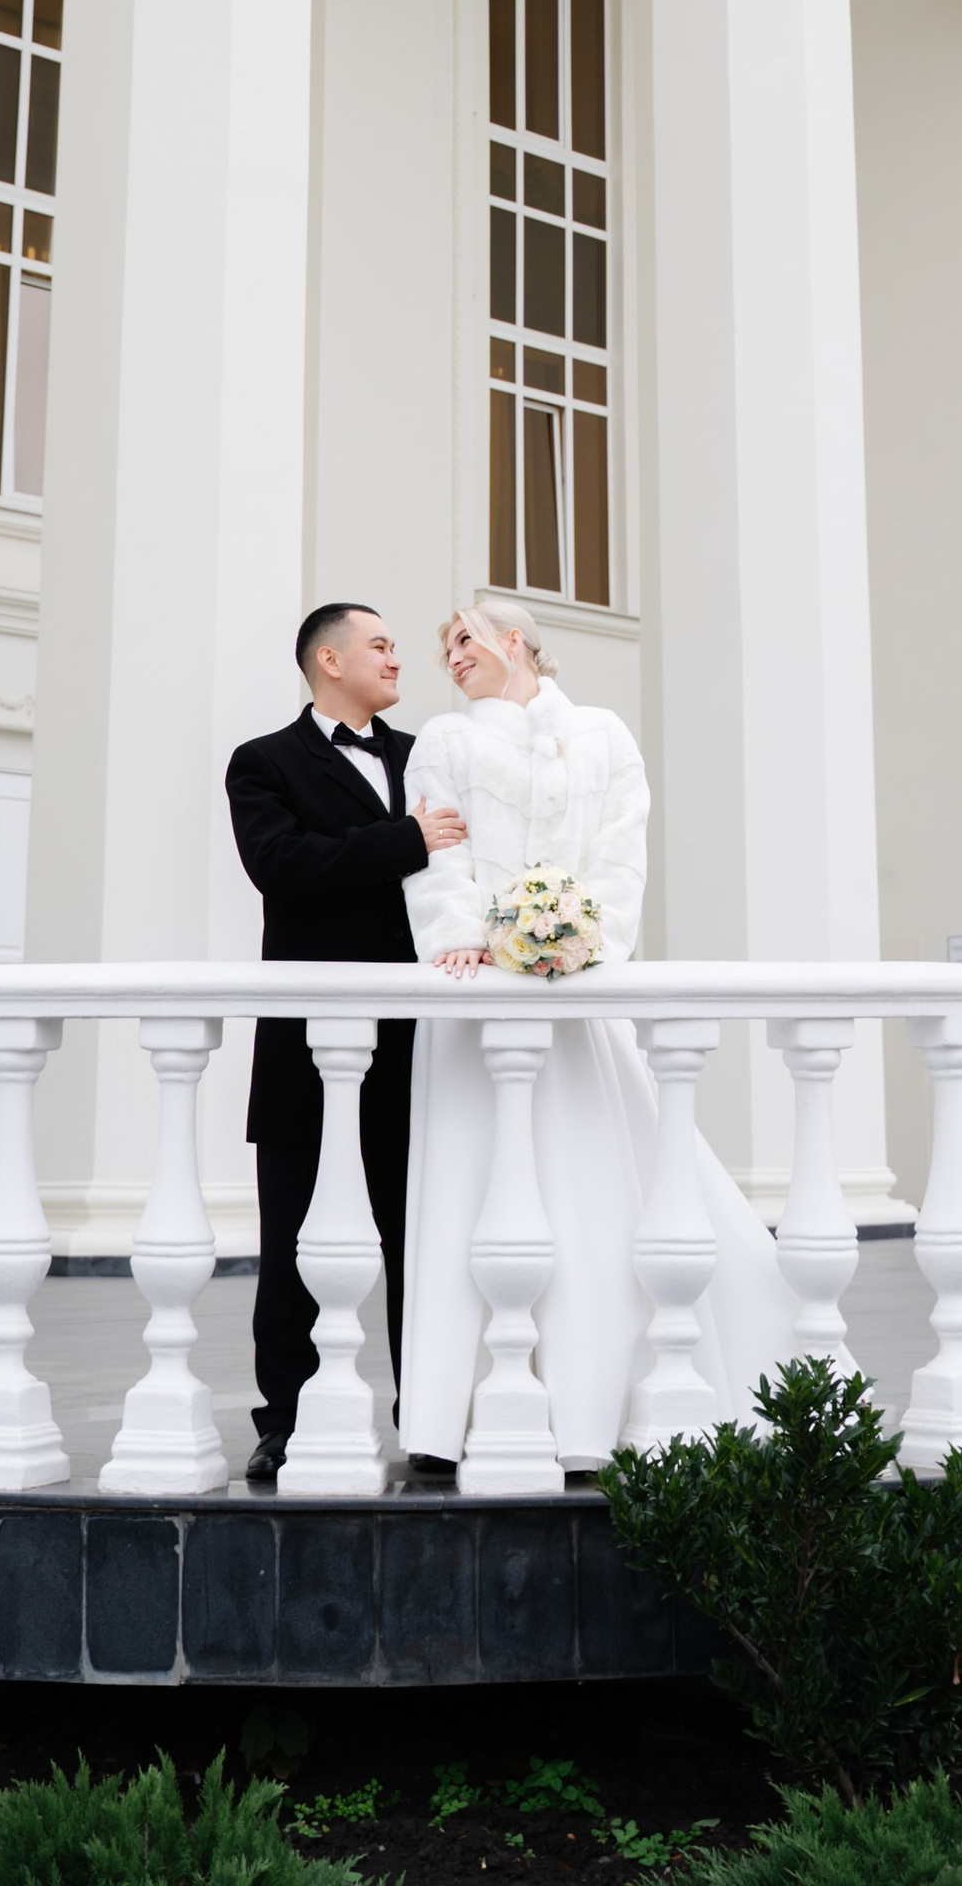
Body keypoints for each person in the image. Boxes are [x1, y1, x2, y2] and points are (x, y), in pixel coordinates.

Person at [396, 597, 793, 1478]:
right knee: (478, 1183)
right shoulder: (444, 743)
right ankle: (459, 1413)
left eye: (464, 639)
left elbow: (623, 853)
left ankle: (601, 1404)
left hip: (580, 994)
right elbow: (441, 856)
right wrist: (470, 938)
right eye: (442, 649)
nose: (451, 657)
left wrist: (582, 940)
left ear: (516, 642)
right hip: (479, 1000)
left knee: (595, 1183)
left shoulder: (607, 737)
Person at [224, 603, 469, 1484]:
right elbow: (283, 867)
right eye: (380, 645)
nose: (396, 658)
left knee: (420, 1234)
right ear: (329, 660)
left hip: (415, 1043)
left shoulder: (422, 758)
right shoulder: (263, 763)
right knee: (291, 1238)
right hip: (306, 1043)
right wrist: (406, 839)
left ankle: (432, 1416)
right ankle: (283, 1419)